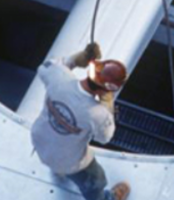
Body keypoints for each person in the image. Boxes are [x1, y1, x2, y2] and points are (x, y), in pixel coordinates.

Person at [31, 42, 130, 200]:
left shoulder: (60, 76)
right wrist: (107, 104)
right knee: (96, 181)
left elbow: (45, 67)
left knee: (56, 155)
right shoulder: (98, 114)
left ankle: (57, 171)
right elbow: (105, 137)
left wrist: (78, 59)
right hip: (68, 162)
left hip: (40, 141)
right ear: (107, 89)